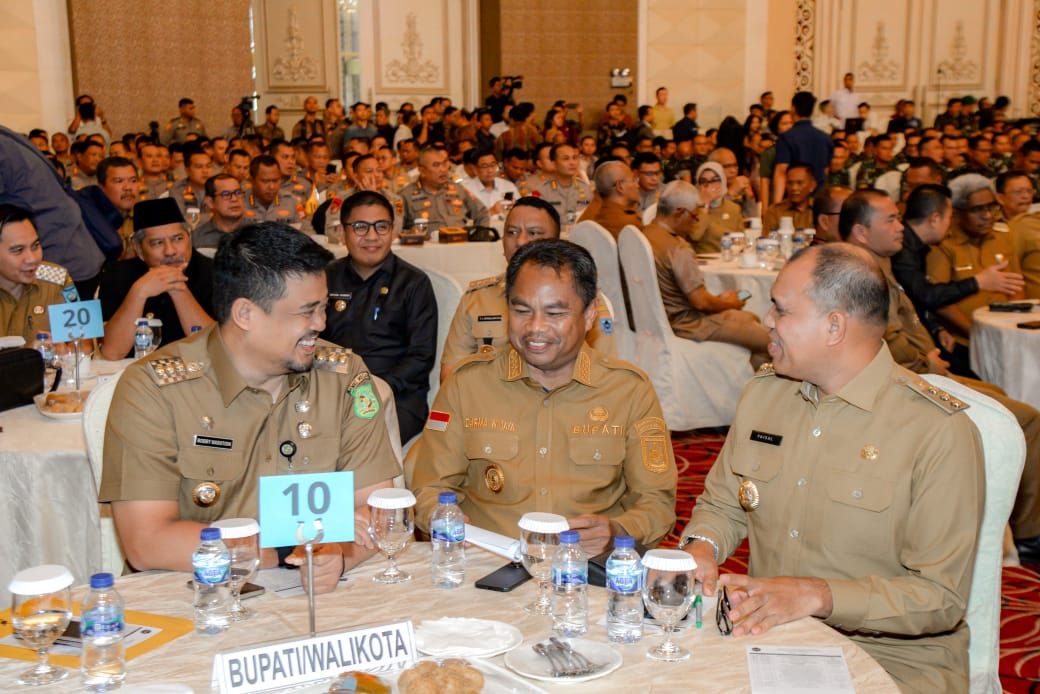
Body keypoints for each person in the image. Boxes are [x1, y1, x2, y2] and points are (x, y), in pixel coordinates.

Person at [681, 242, 984, 692]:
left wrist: (817, 595)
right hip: (769, 634)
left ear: (834, 326)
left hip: (890, 659)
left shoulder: (936, 430)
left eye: (781, 309)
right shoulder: (765, 394)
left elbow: (939, 598)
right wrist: (701, 548)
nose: (767, 320)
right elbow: (724, 504)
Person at [100, 223, 398, 593]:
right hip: (197, 596)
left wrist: (337, 555)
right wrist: (284, 549)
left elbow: (380, 508)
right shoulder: (154, 389)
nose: (321, 324)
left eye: (322, 308)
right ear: (245, 314)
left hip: (314, 597)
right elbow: (147, 542)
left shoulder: (343, 376)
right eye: (307, 312)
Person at [409, 238, 676, 554]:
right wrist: (444, 520)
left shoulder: (628, 391)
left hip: (585, 566)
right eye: (522, 310)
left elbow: (657, 502)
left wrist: (618, 531)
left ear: (590, 314)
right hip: (486, 563)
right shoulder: (467, 384)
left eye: (555, 313)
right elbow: (430, 487)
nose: (535, 327)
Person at [843, 187, 1040, 562]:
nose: (901, 227)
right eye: (891, 220)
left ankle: (1009, 520)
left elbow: (907, 318)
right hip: (907, 381)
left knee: (996, 393)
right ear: (861, 232)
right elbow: (879, 336)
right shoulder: (861, 272)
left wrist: (932, 337)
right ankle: (1030, 533)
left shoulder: (879, 264)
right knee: (1027, 418)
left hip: (920, 370)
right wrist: (925, 358)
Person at [440, 196, 616, 380]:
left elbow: (604, 372)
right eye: (512, 232)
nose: (520, 241)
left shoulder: (582, 297)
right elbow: (451, 376)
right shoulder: (477, 298)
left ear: (555, 242)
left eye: (533, 233)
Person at [321, 191, 437, 443]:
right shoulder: (325, 278)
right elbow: (310, 339)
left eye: (381, 226)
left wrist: (375, 389)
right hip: (332, 388)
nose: (372, 236)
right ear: (342, 231)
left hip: (396, 395)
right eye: (360, 227)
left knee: (357, 442)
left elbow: (421, 356)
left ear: (393, 230)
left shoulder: (413, 283)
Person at [644, 181, 769, 367]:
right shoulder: (677, 248)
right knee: (770, 342)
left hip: (658, 321)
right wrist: (730, 303)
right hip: (687, 325)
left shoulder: (644, 234)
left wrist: (718, 300)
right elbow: (701, 302)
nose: (695, 223)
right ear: (679, 212)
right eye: (695, 216)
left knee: (750, 319)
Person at [98, 199, 215, 360]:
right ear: (139, 250)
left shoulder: (213, 272)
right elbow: (112, 352)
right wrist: (138, 292)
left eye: (177, 239)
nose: (170, 251)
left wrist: (178, 288)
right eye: (158, 243)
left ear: (189, 237)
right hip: (136, 371)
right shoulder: (117, 275)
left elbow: (215, 348)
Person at [926, 174, 1024, 349]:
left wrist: (1013, 328)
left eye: (991, 206)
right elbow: (941, 302)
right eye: (977, 209)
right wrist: (978, 335)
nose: (987, 215)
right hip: (965, 341)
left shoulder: (1003, 236)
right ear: (957, 213)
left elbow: (1017, 287)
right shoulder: (943, 244)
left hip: (1006, 335)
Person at [0, 204, 80, 341]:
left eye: (35, 246)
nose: (32, 259)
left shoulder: (56, 276)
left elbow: (83, 340)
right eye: (18, 250)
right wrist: (29, 353)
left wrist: (66, 349)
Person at [399, 145, 489, 231]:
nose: (443, 169)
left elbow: (482, 213)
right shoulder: (405, 196)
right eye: (436, 165)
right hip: (427, 241)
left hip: (460, 240)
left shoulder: (458, 189)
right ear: (422, 171)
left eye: (444, 163)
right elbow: (396, 228)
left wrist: (479, 235)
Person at [774, 91, 834, 201]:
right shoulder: (826, 138)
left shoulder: (786, 137)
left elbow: (781, 172)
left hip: (795, 198)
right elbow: (825, 171)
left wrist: (777, 204)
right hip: (818, 198)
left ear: (793, 108)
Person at [689, 161, 742, 254]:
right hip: (703, 259)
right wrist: (705, 204)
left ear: (723, 181)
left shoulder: (734, 208)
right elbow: (695, 236)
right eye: (703, 181)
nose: (709, 186)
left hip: (729, 259)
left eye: (714, 180)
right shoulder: (692, 208)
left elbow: (740, 241)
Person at [193, 174, 248, 249]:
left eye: (238, 193)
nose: (234, 199)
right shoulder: (197, 239)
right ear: (210, 202)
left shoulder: (258, 232)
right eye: (226, 194)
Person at [462, 150, 519, 216]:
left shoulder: (508, 186)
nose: (490, 170)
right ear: (475, 169)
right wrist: (491, 212)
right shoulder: (467, 191)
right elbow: (464, 219)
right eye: (485, 166)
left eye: (493, 165)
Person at [763, 162, 816, 232]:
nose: (794, 188)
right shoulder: (774, 212)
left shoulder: (819, 210)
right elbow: (767, 238)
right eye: (790, 183)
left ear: (812, 185)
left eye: (800, 183)